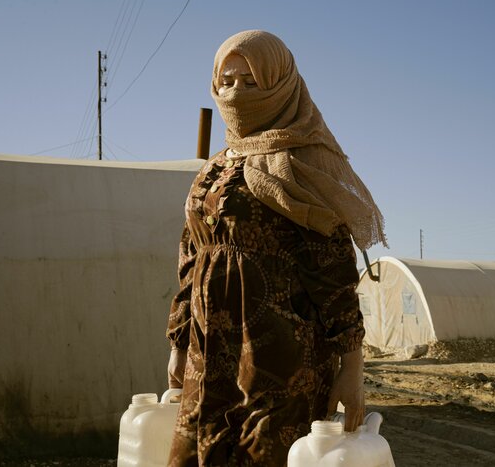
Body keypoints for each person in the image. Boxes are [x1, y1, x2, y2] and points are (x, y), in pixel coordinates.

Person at [165, 30, 387, 467]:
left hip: (281, 367)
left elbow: (332, 272)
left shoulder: (301, 162)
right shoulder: (217, 164)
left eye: (250, 81)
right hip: (206, 362)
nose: (235, 92)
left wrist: (352, 367)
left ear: (281, 84)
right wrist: (177, 343)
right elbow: (190, 260)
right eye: (226, 81)